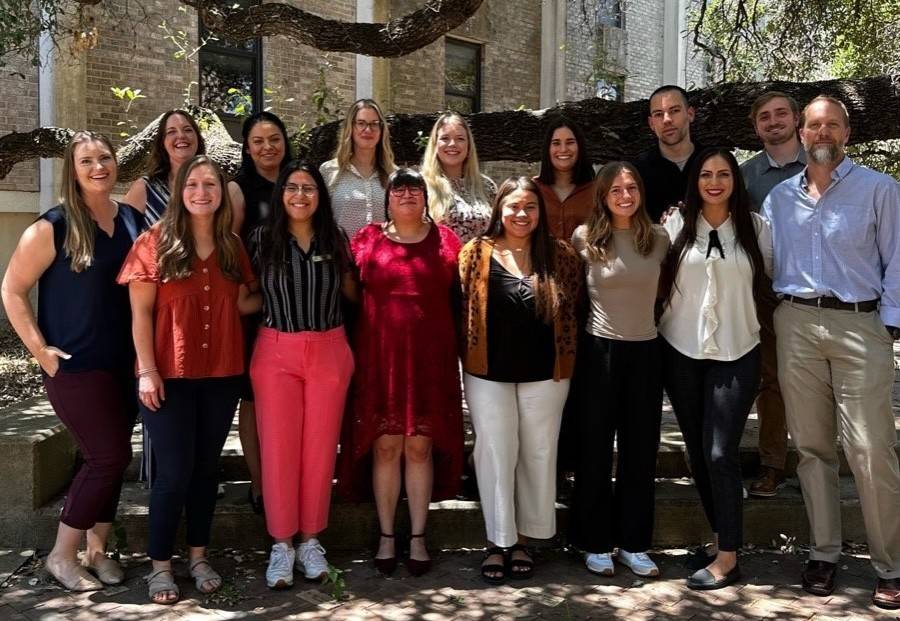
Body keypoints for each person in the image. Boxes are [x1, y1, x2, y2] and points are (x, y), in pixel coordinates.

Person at [762, 95, 900, 609]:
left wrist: (887, 326)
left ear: (848, 133)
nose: (822, 133)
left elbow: (899, 260)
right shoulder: (779, 198)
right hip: (795, 324)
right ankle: (824, 553)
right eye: (814, 125)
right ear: (801, 133)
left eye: (832, 126)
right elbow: (766, 258)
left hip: (860, 325)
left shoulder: (880, 190)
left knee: (870, 449)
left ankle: (890, 563)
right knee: (814, 448)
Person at [1, 131, 143, 591]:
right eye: (87, 160)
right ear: (73, 169)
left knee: (109, 460)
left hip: (126, 364)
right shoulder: (53, 226)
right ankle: (61, 556)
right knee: (108, 456)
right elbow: (12, 289)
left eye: (105, 158)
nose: (98, 167)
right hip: (76, 367)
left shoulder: (132, 221)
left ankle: (97, 551)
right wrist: (39, 350)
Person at [118, 155, 260, 605]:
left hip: (221, 374)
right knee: (173, 473)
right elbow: (140, 315)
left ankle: (198, 557)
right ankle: (161, 565)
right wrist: (146, 371)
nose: (202, 192)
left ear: (222, 193)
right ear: (180, 192)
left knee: (204, 471)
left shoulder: (232, 245)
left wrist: (288, 291)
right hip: (168, 377)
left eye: (211, 185)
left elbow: (240, 304)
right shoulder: (153, 243)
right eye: (193, 184)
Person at [459, 176, 582, 583]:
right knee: (495, 451)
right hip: (487, 373)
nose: (521, 214)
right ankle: (497, 541)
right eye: (513, 206)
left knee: (538, 452)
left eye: (530, 206)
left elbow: (575, 309)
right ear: (499, 209)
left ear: (540, 211)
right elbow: (459, 306)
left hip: (546, 374)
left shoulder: (561, 254)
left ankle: (525, 539)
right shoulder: (475, 253)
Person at [659, 147, 772, 591]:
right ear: (695, 181)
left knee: (721, 453)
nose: (714, 181)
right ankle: (718, 538)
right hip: (681, 351)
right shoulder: (675, 224)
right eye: (706, 173)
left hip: (737, 350)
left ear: (735, 181)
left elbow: (774, 276)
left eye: (724, 173)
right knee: (697, 451)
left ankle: (729, 558)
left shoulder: (756, 228)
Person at [342, 169, 462, 577]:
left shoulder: (446, 241)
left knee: (419, 448)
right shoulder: (367, 240)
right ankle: (387, 535)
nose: (407, 194)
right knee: (387, 447)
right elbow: (351, 296)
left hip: (431, 364)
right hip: (380, 361)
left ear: (426, 197)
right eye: (399, 188)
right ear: (387, 198)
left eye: (415, 188)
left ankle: (418, 537)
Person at [248, 161, 357, 589]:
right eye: (291, 188)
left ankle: (311, 540)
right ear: (281, 195)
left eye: (308, 188)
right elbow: (245, 296)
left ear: (319, 195)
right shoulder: (261, 239)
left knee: (319, 449)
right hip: (277, 350)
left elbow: (353, 292)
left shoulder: (336, 237)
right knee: (278, 451)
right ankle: (281, 544)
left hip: (329, 349)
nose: (299, 195)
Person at [568, 163, 669, 578]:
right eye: (615, 190)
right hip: (599, 352)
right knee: (594, 450)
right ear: (603, 197)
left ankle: (634, 542)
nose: (625, 195)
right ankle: (593, 542)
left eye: (631, 188)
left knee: (640, 451)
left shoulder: (660, 238)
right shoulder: (584, 238)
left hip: (646, 352)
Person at [740, 91, 806, 498]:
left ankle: (823, 462)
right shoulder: (745, 176)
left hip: (816, 289)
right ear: (756, 126)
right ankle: (772, 463)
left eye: (781, 113)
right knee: (771, 381)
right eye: (764, 116)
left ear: (796, 120)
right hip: (764, 291)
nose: (773, 121)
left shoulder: (820, 166)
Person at [229, 111, 294, 515]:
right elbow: (231, 249)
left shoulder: (299, 181)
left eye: (274, 138)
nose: (267, 147)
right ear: (247, 147)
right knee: (253, 398)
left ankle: (289, 473)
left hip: (300, 309)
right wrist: (248, 292)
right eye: (258, 140)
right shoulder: (239, 190)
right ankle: (259, 482)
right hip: (256, 308)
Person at [320, 98, 397, 237]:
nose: (368, 129)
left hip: (383, 256)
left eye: (374, 124)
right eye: (361, 123)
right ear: (351, 127)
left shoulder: (394, 175)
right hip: (341, 256)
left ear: (381, 130)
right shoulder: (329, 171)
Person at [420, 111, 497, 243]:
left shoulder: (486, 186)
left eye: (460, 139)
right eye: (445, 138)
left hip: (481, 262)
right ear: (435, 144)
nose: (452, 144)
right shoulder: (421, 186)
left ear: (468, 146)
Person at [634, 85, 705, 223]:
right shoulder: (637, 172)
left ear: (690, 114)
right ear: (651, 123)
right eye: (659, 114)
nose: (667, 120)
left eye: (674, 111)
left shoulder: (713, 163)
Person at [124, 109, 207, 226]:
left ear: (198, 138)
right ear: (162, 143)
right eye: (171, 132)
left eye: (188, 130)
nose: (181, 136)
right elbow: (124, 237)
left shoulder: (212, 189)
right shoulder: (145, 189)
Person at [532, 116, 596, 240]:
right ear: (547, 149)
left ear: (580, 147)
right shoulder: (532, 189)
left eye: (570, 142)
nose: (563, 149)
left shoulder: (597, 191)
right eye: (556, 143)